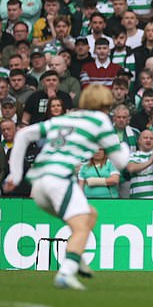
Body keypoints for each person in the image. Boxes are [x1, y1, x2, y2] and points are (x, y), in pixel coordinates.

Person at [3, 85, 130, 290]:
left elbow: (24, 134)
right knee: (81, 228)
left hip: (39, 185)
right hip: (59, 180)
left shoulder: (67, 118)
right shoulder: (100, 121)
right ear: (105, 105)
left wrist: (15, 174)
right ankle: (66, 272)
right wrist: (123, 146)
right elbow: (121, 161)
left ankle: (76, 257)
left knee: (90, 214)